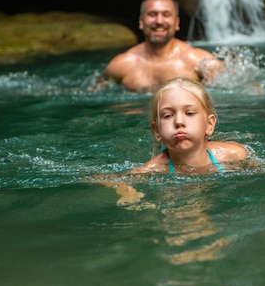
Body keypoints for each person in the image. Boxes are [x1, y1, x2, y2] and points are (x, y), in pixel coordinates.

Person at [96, 78, 249, 206]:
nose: (179, 122)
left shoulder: (234, 154)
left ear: (209, 125)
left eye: (189, 113)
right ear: (157, 131)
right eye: (168, 116)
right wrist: (126, 190)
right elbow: (100, 177)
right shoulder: (154, 169)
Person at [95, 0, 224, 92]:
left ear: (177, 23)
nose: (159, 21)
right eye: (152, 14)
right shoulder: (122, 65)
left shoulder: (197, 61)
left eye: (166, 14)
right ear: (141, 22)